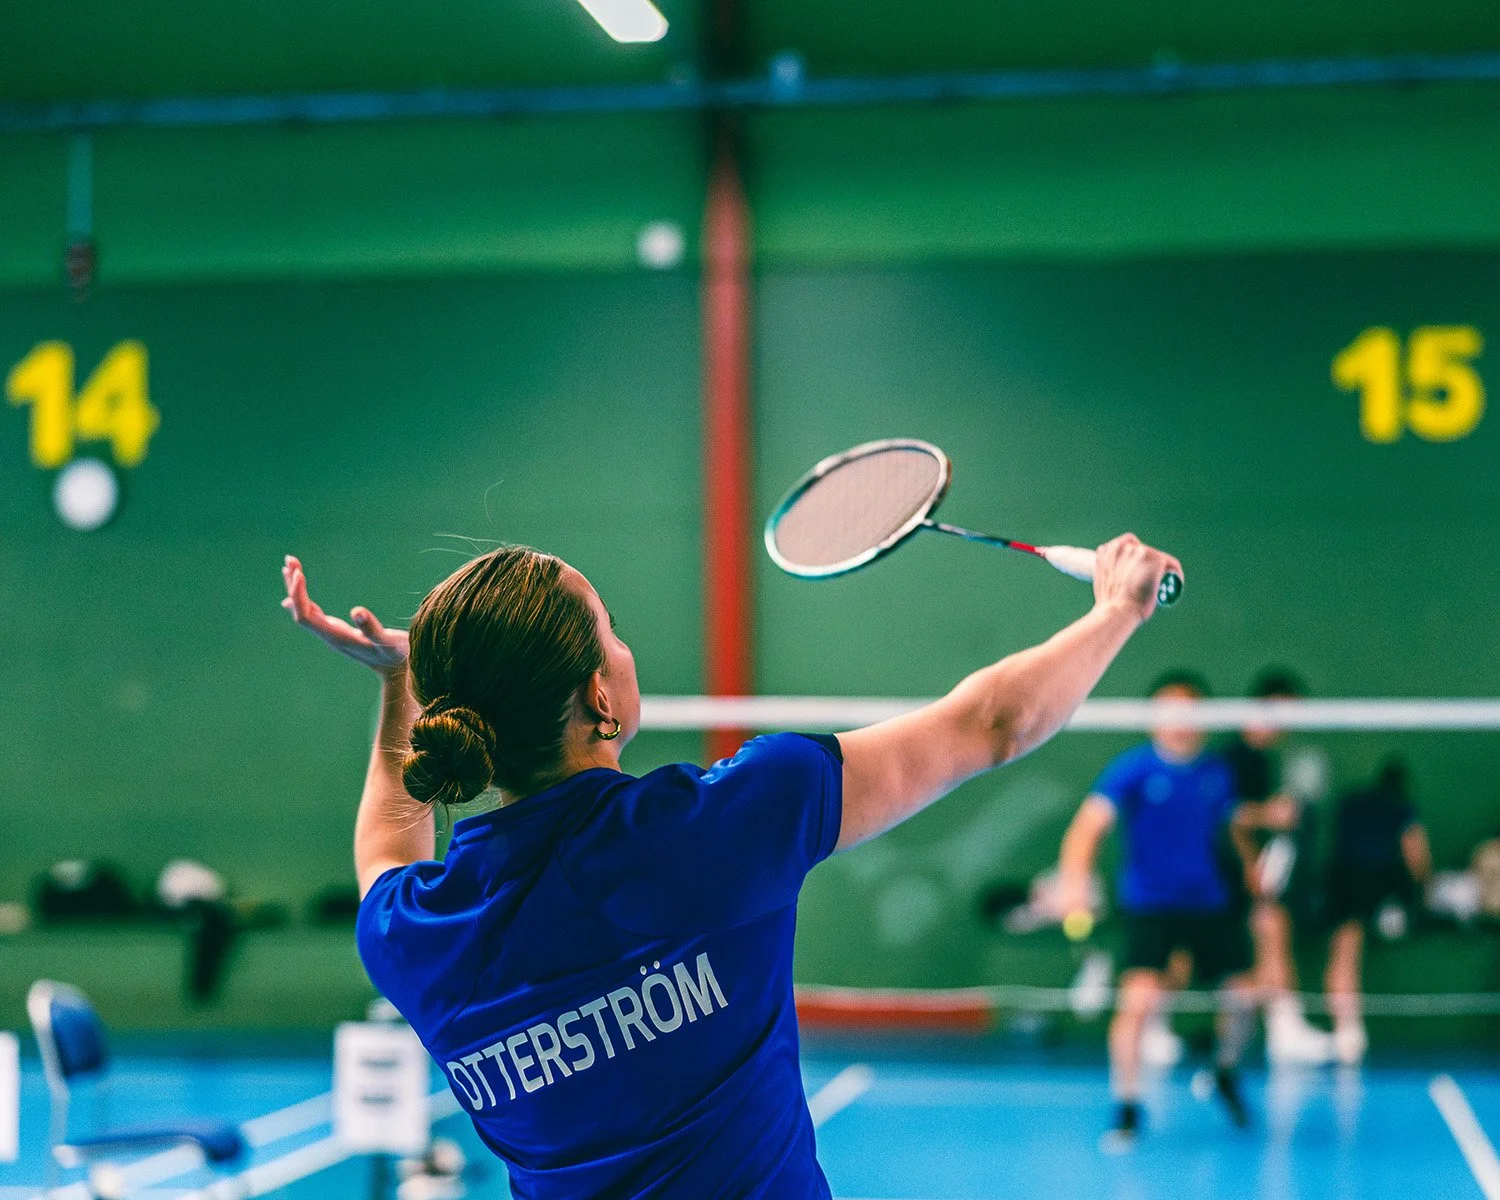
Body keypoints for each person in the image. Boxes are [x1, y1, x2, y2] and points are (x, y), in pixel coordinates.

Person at [281, 533, 1180, 1199]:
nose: (623, 649)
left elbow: (388, 842)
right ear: (600, 693)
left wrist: (399, 687)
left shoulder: (416, 934)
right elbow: (993, 723)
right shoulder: (726, 823)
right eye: (612, 629)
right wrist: (1117, 609)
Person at [1057, 671, 1272, 1150]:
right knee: (1138, 1004)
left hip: (1210, 905)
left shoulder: (1217, 773)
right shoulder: (1132, 769)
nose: (1178, 721)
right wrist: (1075, 882)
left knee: (1244, 1001)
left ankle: (1225, 1073)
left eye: (1188, 711)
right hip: (1151, 907)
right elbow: (1086, 829)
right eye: (1168, 711)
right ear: (1153, 718)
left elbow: (1231, 824)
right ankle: (1128, 1107)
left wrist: (1251, 865)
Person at [1218, 668, 1332, 1065]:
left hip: (1254, 874)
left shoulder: (1267, 758)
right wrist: (1268, 820)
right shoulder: (1234, 757)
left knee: (1269, 937)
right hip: (1223, 875)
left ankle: (1282, 1031)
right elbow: (1226, 815)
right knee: (1262, 938)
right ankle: (1282, 1031)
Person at [1322, 759, 1432, 1065]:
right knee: (1348, 945)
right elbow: (1416, 854)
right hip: (1368, 883)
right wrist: (1423, 894)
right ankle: (1348, 1031)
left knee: (1343, 947)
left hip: (1341, 880)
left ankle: (1347, 1029)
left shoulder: (1351, 802)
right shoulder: (1401, 809)